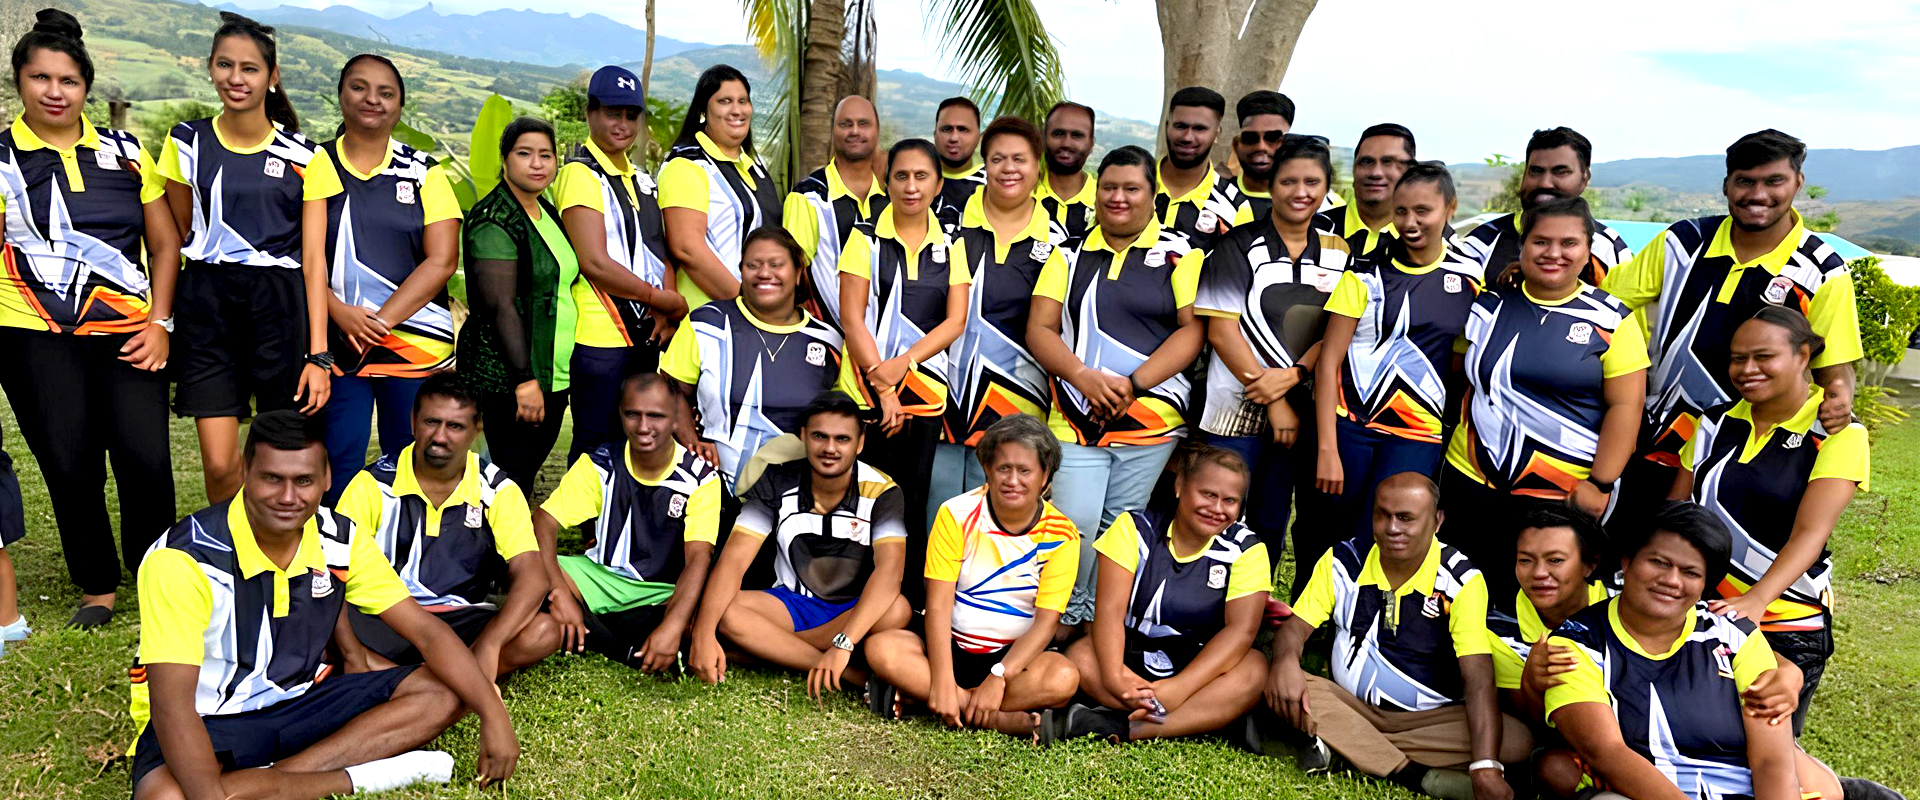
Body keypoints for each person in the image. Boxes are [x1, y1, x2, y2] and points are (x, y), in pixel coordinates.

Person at [127, 411, 519, 799]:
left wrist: (493, 715)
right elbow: (173, 709)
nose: (288, 497)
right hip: (212, 718)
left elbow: (428, 633)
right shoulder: (184, 559)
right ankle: (351, 779)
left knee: (447, 690)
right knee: (164, 798)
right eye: (272, 478)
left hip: (305, 701)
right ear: (245, 471)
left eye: (304, 481)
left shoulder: (340, 539)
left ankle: (274, 779)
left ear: (326, 478)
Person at [0, 9, 177, 628]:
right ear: (19, 80)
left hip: (130, 332)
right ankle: (97, 585)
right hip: (33, 335)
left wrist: (160, 324)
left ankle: (159, 576)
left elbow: (163, 245)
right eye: (41, 78)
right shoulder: (1, 158)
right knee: (69, 462)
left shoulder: (126, 151)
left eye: (68, 80)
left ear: (86, 86)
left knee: (146, 459)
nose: (55, 92)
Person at [1601, 130, 1862, 536]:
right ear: (1726, 185)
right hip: (1652, 438)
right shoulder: (1682, 242)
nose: (1758, 194)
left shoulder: (1822, 271)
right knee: (1628, 547)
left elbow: (1835, 366)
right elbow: (1604, 307)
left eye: (1774, 181)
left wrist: (1841, 396)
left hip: (1737, 459)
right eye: (1745, 181)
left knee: (1716, 559)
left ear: (1798, 183)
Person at [1492, 504, 1802, 799]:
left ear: (1706, 585)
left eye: (1691, 572)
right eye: (1659, 563)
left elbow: (1771, 761)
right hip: (1636, 790)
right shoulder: (1573, 643)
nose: (1671, 580)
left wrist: (1791, 672)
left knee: (1805, 771)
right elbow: (1605, 752)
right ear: (1627, 562)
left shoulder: (1733, 633)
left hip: (1739, 787)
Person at [1265, 473, 1528, 800]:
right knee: (1279, 678)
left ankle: (1348, 746)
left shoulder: (1462, 579)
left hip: (1428, 723)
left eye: (1405, 518)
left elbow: (1477, 676)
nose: (1391, 528)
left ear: (1437, 521)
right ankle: (1415, 775)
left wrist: (1485, 766)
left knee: (1517, 741)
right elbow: (1294, 630)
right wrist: (1285, 662)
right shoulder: (1343, 561)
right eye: (1383, 515)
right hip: (1349, 704)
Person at [1028, 145, 1205, 625]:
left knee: (1119, 530)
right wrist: (1083, 377)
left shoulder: (1182, 254)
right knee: (1073, 524)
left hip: (1151, 420)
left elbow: (1193, 331)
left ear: (1153, 194)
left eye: (1131, 188)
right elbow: (1040, 328)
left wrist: (1134, 384)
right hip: (1074, 415)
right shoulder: (1068, 253)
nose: (1118, 197)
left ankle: (1096, 626)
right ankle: (1063, 621)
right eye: (1108, 187)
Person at [1670, 307, 1868, 734]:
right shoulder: (1715, 422)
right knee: (1693, 739)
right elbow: (1678, 512)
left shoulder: (1837, 433)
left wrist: (1756, 601)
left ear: (1803, 356)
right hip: (1698, 610)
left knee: (1763, 748)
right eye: (1738, 359)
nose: (1747, 370)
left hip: (1785, 621)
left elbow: (1810, 534)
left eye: (1763, 357)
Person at [1439, 197, 1645, 600]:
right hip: (1471, 479)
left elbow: (1627, 407)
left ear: (1588, 250)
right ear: (1522, 246)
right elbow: (1458, 372)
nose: (1554, 253)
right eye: (1540, 242)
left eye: (1569, 243)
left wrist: (1600, 484)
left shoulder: (1611, 318)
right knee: (1463, 591)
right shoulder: (1487, 304)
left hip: (1561, 492)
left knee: (1541, 602)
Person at [160, 12, 329, 504]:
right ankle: (229, 543)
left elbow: (314, 261)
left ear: (272, 77)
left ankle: (273, 543)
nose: (236, 78)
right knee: (220, 464)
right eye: (225, 65)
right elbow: (181, 231)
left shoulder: (306, 157)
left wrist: (318, 355)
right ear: (210, 68)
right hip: (207, 304)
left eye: (250, 68)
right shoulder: (185, 142)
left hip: (280, 309)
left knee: (280, 459)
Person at [864, 415, 1080, 740]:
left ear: (1045, 476)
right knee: (882, 648)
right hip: (949, 645)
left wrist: (1000, 675)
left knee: (1063, 678)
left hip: (1013, 658)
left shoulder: (1062, 535)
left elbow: (1046, 623)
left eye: (1025, 471)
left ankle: (926, 700)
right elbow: (938, 605)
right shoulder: (956, 514)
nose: (1013, 480)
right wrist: (941, 679)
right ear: (987, 468)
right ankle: (994, 718)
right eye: (1003, 468)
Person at [332, 372, 558, 681]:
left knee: (543, 631)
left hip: (462, 620)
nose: (440, 437)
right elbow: (335, 573)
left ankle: (411, 679)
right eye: (431, 422)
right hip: (388, 619)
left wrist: (491, 643)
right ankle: (456, 680)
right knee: (323, 625)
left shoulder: (497, 490)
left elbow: (531, 574)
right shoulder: (371, 484)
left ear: (476, 430)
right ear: (413, 421)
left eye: (455, 426)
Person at [688, 392, 914, 698]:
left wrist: (845, 640)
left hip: (853, 609)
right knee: (726, 612)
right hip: (792, 604)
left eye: (842, 439)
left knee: (897, 609)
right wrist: (703, 633)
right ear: (804, 436)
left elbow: (890, 573)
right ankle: (850, 673)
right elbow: (734, 560)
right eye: (820, 436)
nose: (830, 448)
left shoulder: (883, 491)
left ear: (860, 444)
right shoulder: (776, 479)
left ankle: (769, 649)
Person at [1195, 135, 1352, 575]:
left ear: (1327, 187)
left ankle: (1254, 606)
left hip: (1304, 412)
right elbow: (1221, 330)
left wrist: (1294, 376)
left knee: (1269, 523)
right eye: (1288, 181)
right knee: (1219, 517)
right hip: (1233, 411)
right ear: (1270, 185)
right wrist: (1275, 400)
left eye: (1311, 182)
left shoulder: (1339, 252)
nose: (1300, 192)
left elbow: (1337, 330)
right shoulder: (1236, 245)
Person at [309, 53, 461, 503]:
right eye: (359, 87)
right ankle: (338, 544)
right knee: (338, 461)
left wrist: (381, 322)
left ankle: (409, 544)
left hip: (415, 342)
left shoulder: (424, 171)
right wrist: (340, 313)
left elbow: (442, 260)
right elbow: (301, 256)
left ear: (399, 105)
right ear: (341, 94)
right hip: (338, 343)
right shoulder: (314, 164)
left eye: (386, 92)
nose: (371, 99)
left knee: (413, 462)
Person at [1315, 162, 1482, 540]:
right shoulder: (1363, 273)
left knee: (1390, 537)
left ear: (1450, 208)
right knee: (1330, 536)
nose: (1410, 222)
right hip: (1350, 427)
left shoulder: (1471, 277)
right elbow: (1328, 362)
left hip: (1418, 435)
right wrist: (1327, 448)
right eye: (1401, 210)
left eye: (1423, 210)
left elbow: (1465, 356)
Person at [836, 138, 971, 606]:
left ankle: (902, 604)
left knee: (910, 503)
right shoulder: (864, 237)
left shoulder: (952, 243)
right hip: (865, 393)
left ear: (938, 184)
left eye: (921, 176)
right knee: (863, 499)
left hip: (926, 396)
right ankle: (848, 598)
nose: (911, 186)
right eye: (901, 176)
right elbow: (852, 318)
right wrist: (884, 386)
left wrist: (905, 364)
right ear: (886, 181)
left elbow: (955, 321)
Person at [1061, 447, 1271, 745]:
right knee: (1080, 656)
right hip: (1129, 655)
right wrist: (1115, 677)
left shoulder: (1247, 549)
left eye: (1230, 501)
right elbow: (1109, 613)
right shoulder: (1134, 529)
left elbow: (1241, 631)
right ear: (1180, 485)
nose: (1217, 508)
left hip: (1198, 665)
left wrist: (1180, 689)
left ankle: (1128, 727)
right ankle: (1204, 717)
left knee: (1254, 671)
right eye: (1208, 494)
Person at [535, 373, 720, 672]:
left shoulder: (701, 479)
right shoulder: (600, 464)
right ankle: (625, 649)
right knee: (527, 571)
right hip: (603, 579)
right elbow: (542, 523)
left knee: (709, 609)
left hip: (663, 591)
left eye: (655, 416)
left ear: (676, 418)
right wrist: (559, 594)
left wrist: (673, 624)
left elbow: (699, 558)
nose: (643, 427)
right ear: (620, 413)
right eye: (633, 414)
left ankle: (592, 630)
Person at [555, 65, 687, 464]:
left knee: (637, 443)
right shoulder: (580, 174)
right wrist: (659, 300)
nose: (623, 124)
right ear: (591, 113)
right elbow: (593, 261)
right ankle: (586, 509)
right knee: (596, 443)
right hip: (601, 336)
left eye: (631, 115)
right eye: (613, 113)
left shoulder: (642, 179)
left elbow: (659, 249)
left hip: (645, 333)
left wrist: (667, 308)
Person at [935, 117, 1064, 515]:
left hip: (1017, 416)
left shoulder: (1059, 243)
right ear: (984, 164)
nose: (1009, 168)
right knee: (937, 523)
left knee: (998, 531)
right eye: (998, 159)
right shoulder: (944, 226)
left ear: (1038, 167)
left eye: (1019, 159)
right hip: (941, 405)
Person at [663, 226, 844, 489]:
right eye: (753, 265)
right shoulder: (706, 324)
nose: (764, 273)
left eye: (776, 264)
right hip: (713, 486)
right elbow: (670, 389)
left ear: (797, 273)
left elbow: (840, 420)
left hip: (796, 491)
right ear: (741, 271)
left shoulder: (828, 341)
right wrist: (693, 443)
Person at [456, 117, 578, 493]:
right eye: (524, 154)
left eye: (546, 155)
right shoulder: (494, 219)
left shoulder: (546, 212)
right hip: (509, 380)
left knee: (520, 476)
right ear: (505, 159)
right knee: (505, 480)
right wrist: (524, 381)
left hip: (552, 371)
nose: (537, 164)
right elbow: (500, 306)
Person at [660, 64, 778, 311]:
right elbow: (687, 249)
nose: (737, 110)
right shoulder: (686, 166)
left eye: (743, 101)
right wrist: (748, 304)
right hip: (710, 317)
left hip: (756, 316)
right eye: (725, 101)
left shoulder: (755, 167)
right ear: (704, 109)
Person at [1455, 127, 1632, 285]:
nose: (1545, 183)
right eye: (1536, 171)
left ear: (1585, 178)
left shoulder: (1608, 249)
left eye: (1561, 172)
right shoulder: (1482, 242)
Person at [784, 95, 886, 330]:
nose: (854, 131)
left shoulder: (890, 200)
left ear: (877, 130)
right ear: (833, 131)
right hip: (825, 339)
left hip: (880, 344)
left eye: (863, 123)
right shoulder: (809, 197)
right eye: (845, 124)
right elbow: (791, 277)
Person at [1155, 86, 1252, 253]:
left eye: (1199, 128)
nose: (1187, 137)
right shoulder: (1130, 186)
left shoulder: (1236, 208)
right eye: (1180, 126)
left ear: (1217, 134)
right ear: (1166, 127)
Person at [1321, 123, 1416, 257]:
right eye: (1367, 162)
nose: (1375, 173)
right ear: (1354, 168)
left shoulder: (1431, 244)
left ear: (1410, 171)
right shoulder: (1311, 231)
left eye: (1388, 162)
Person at [1229, 90, 1296, 222]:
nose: (1261, 147)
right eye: (1250, 138)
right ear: (1237, 144)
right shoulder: (1209, 201)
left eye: (1273, 138)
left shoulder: (1324, 207)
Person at [1035, 100, 1095, 241]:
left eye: (1077, 135)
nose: (1066, 143)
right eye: (1058, 133)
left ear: (1091, 143)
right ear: (1043, 137)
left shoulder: (1106, 200)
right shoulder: (1021, 192)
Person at [930, 96, 985, 230]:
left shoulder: (998, 182)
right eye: (946, 129)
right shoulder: (914, 180)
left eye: (963, 129)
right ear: (935, 134)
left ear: (978, 136)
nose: (954, 138)